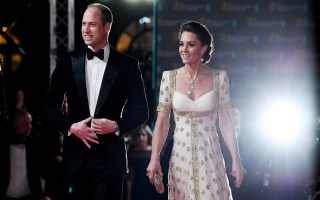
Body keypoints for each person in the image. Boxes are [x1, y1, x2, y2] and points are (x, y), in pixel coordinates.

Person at [44, 3, 149, 200]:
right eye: (83, 24)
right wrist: (71, 127)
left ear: (107, 26)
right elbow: (50, 105)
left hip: (109, 160)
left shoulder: (127, 65)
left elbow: (141, 110)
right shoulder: (67, 61)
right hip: (75, 158)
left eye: (92, 24)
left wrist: (116, 125)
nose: (85, 30)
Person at [146, 21, 244, 200]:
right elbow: (162, 123)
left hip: (210, 156)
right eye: (181, 44)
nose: (184, 49)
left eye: (191, 44)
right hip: (180, 160)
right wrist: (155, 158)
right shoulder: (169, 78)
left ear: (203, 48)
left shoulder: (219, 79)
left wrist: (236, 159)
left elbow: (226, 122)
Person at [0, 109, 51, 200]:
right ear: (13, 125)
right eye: (24, 125)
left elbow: (48, 172)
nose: (29, 127)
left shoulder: (36, 146)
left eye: (30, 123)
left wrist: (47, 195)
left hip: (30, 197)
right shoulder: (3, 147)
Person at [126, 124, 159, 200]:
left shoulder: (154, 153)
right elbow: (129, 178)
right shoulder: (131, 154)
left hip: (152, 188)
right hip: (136, 188)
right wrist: (128, 196)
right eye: (138, 135)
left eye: (143, 135)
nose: (141, 138)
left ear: (148, 136)